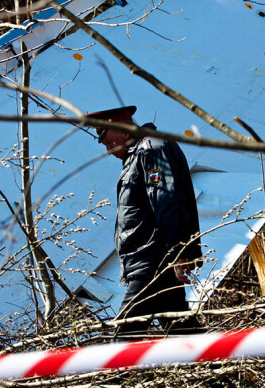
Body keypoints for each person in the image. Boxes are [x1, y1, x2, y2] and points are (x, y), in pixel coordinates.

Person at [86, 105, 204, 340]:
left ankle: (112, 376)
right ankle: (219, 371)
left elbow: (167, 202)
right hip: (152, 260)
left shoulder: (151, 150)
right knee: (184, 333)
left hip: (152, 262)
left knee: (124, 338)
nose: (109, 151)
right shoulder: (140, 152)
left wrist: (179, 254)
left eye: (109, 142)